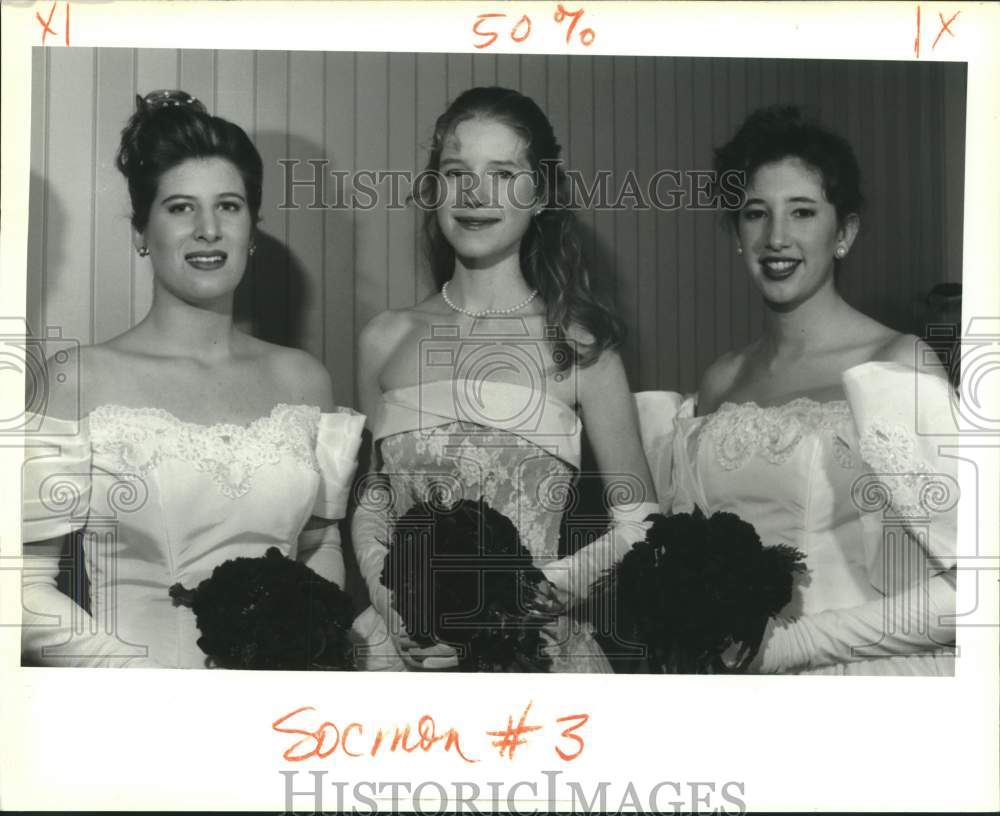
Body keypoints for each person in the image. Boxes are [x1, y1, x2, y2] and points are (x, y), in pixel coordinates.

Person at [21, 90, 364, 668]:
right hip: (138, 711)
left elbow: (318, 548)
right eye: (180, 208)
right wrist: (146, 688)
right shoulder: (79, 377)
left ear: (252, 229)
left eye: (228, 206)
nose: (208, 228)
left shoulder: (305, 380)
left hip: (281, 713)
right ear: (140, 231)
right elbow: (21, 588)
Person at [350, 86, 659, 672]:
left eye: (503, 173)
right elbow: (375, 499)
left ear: (540, 193)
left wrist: (547, 591)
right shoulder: (384, 338)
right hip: (402, 656)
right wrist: (392, 604)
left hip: (532, 654)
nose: (474, 194)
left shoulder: (581, 347)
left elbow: (639, 520)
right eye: (456, 171)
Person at [647, 105, 957, 675]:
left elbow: (976, 589)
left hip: (859, 677)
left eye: (803, 212)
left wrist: (795, 645)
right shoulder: (722, 379)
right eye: (755, 214)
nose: (777, 237)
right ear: (736, 236)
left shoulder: (897, 363)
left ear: (845, 233)